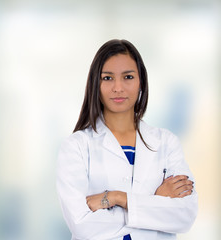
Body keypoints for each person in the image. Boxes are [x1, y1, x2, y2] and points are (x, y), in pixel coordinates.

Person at [56, 39, 198, 240]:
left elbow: (185, 215)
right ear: (95, 83)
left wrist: (117, 198)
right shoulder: (76, 146)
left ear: (141, 82)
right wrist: (157, 202)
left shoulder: (166, 143)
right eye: (107, 78)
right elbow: (82, 225)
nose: (118, 88)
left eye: (128, 77)